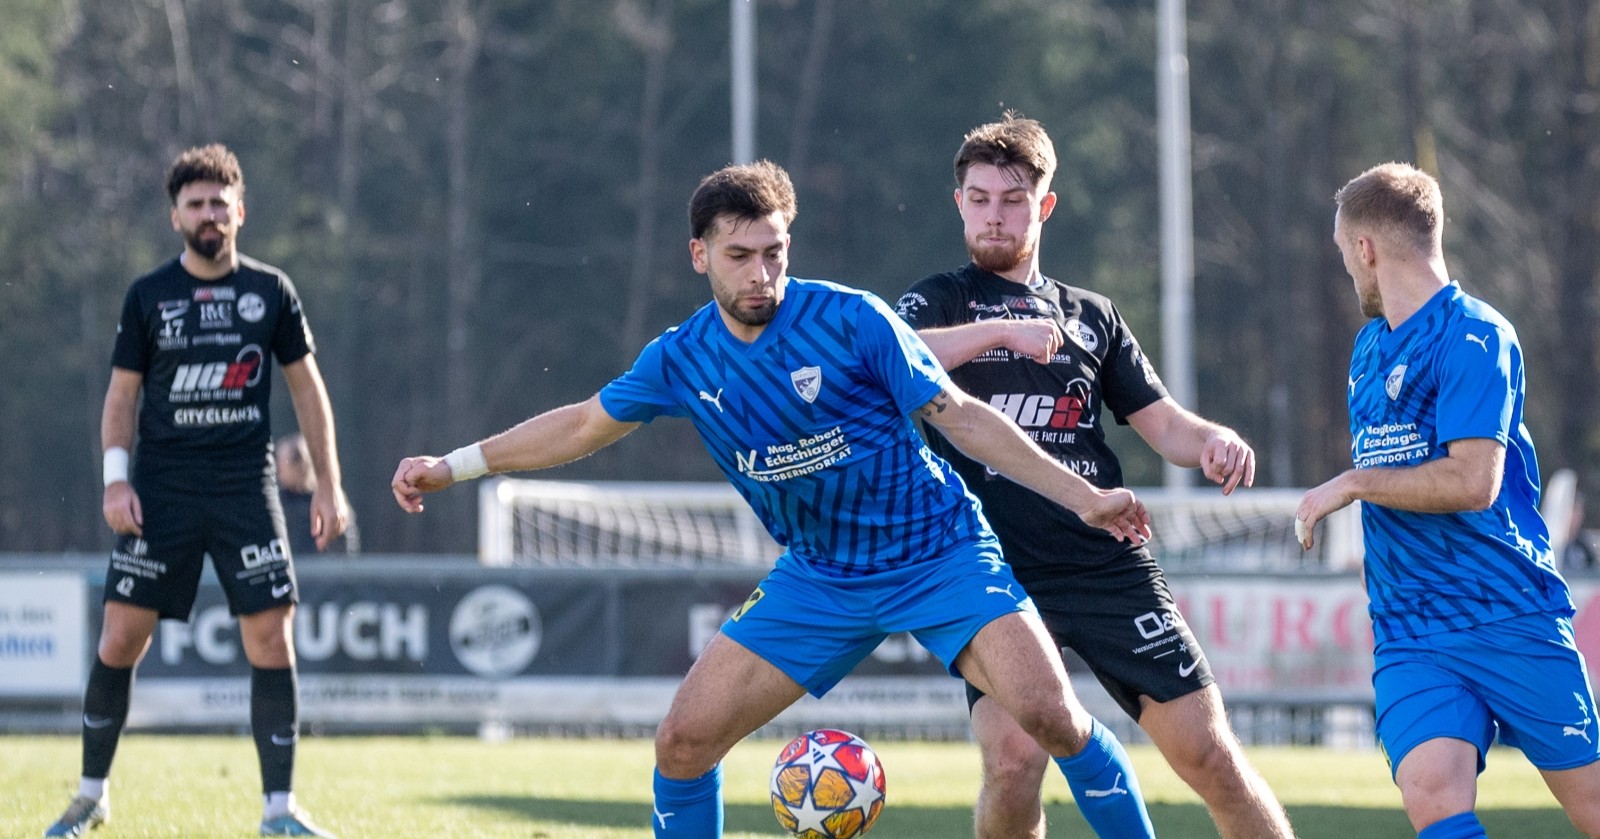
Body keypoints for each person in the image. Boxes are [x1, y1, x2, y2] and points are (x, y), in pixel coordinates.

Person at [393, 160, 1161, 838]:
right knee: (683, 742)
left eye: (774, 253)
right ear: (699, 255)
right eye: (739, 256)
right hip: (821, 575)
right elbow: (582, 424)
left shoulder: (852, 319)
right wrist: (453, 466)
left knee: (1054, 719)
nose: (761, 274)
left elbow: (959, 415)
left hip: (939, 554)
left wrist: (1085, 496)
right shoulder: (682, 357)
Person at [895, 114, 1295, 839]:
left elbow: (1164, 423)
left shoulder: (1093, 316)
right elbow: (897, 358)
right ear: (959, 204)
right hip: (992, 571)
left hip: (1105, 561)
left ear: (1045, 206)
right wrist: (999, 331)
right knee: (1013, 759)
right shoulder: (938, 301)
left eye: (1012, 200)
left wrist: (1213, 439)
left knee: (1210, 755)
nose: (993, 215)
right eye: (978, 199)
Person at [46, 144, 349, 839]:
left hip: (246, 487)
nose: (208, 214)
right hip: (163, 490)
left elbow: (308, 390)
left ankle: (279, 811)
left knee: (272, 635)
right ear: (175, 216)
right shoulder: (148, 296)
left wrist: (330, 485)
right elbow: (121, 397)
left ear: (241, 211)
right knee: (121, 635)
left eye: (219, 203)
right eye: (195, 204)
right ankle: (90, 797)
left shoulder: (271, 291)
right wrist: (115, 480)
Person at [1296, 162, 1600, 839]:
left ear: (1366, 249)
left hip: (1506, 612)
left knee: (1593, 807)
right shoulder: (1368, 349)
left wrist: (1352, 482)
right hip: (1410, 629)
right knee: (1432, 795)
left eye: (1345, 255)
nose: (1348, 271)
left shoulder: (1476, 336)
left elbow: (1472, 482)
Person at [276, 432, 359, 556]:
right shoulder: (277, 502)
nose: (278, 469)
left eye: (282, 463)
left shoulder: (328, 500)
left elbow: (345, 544)